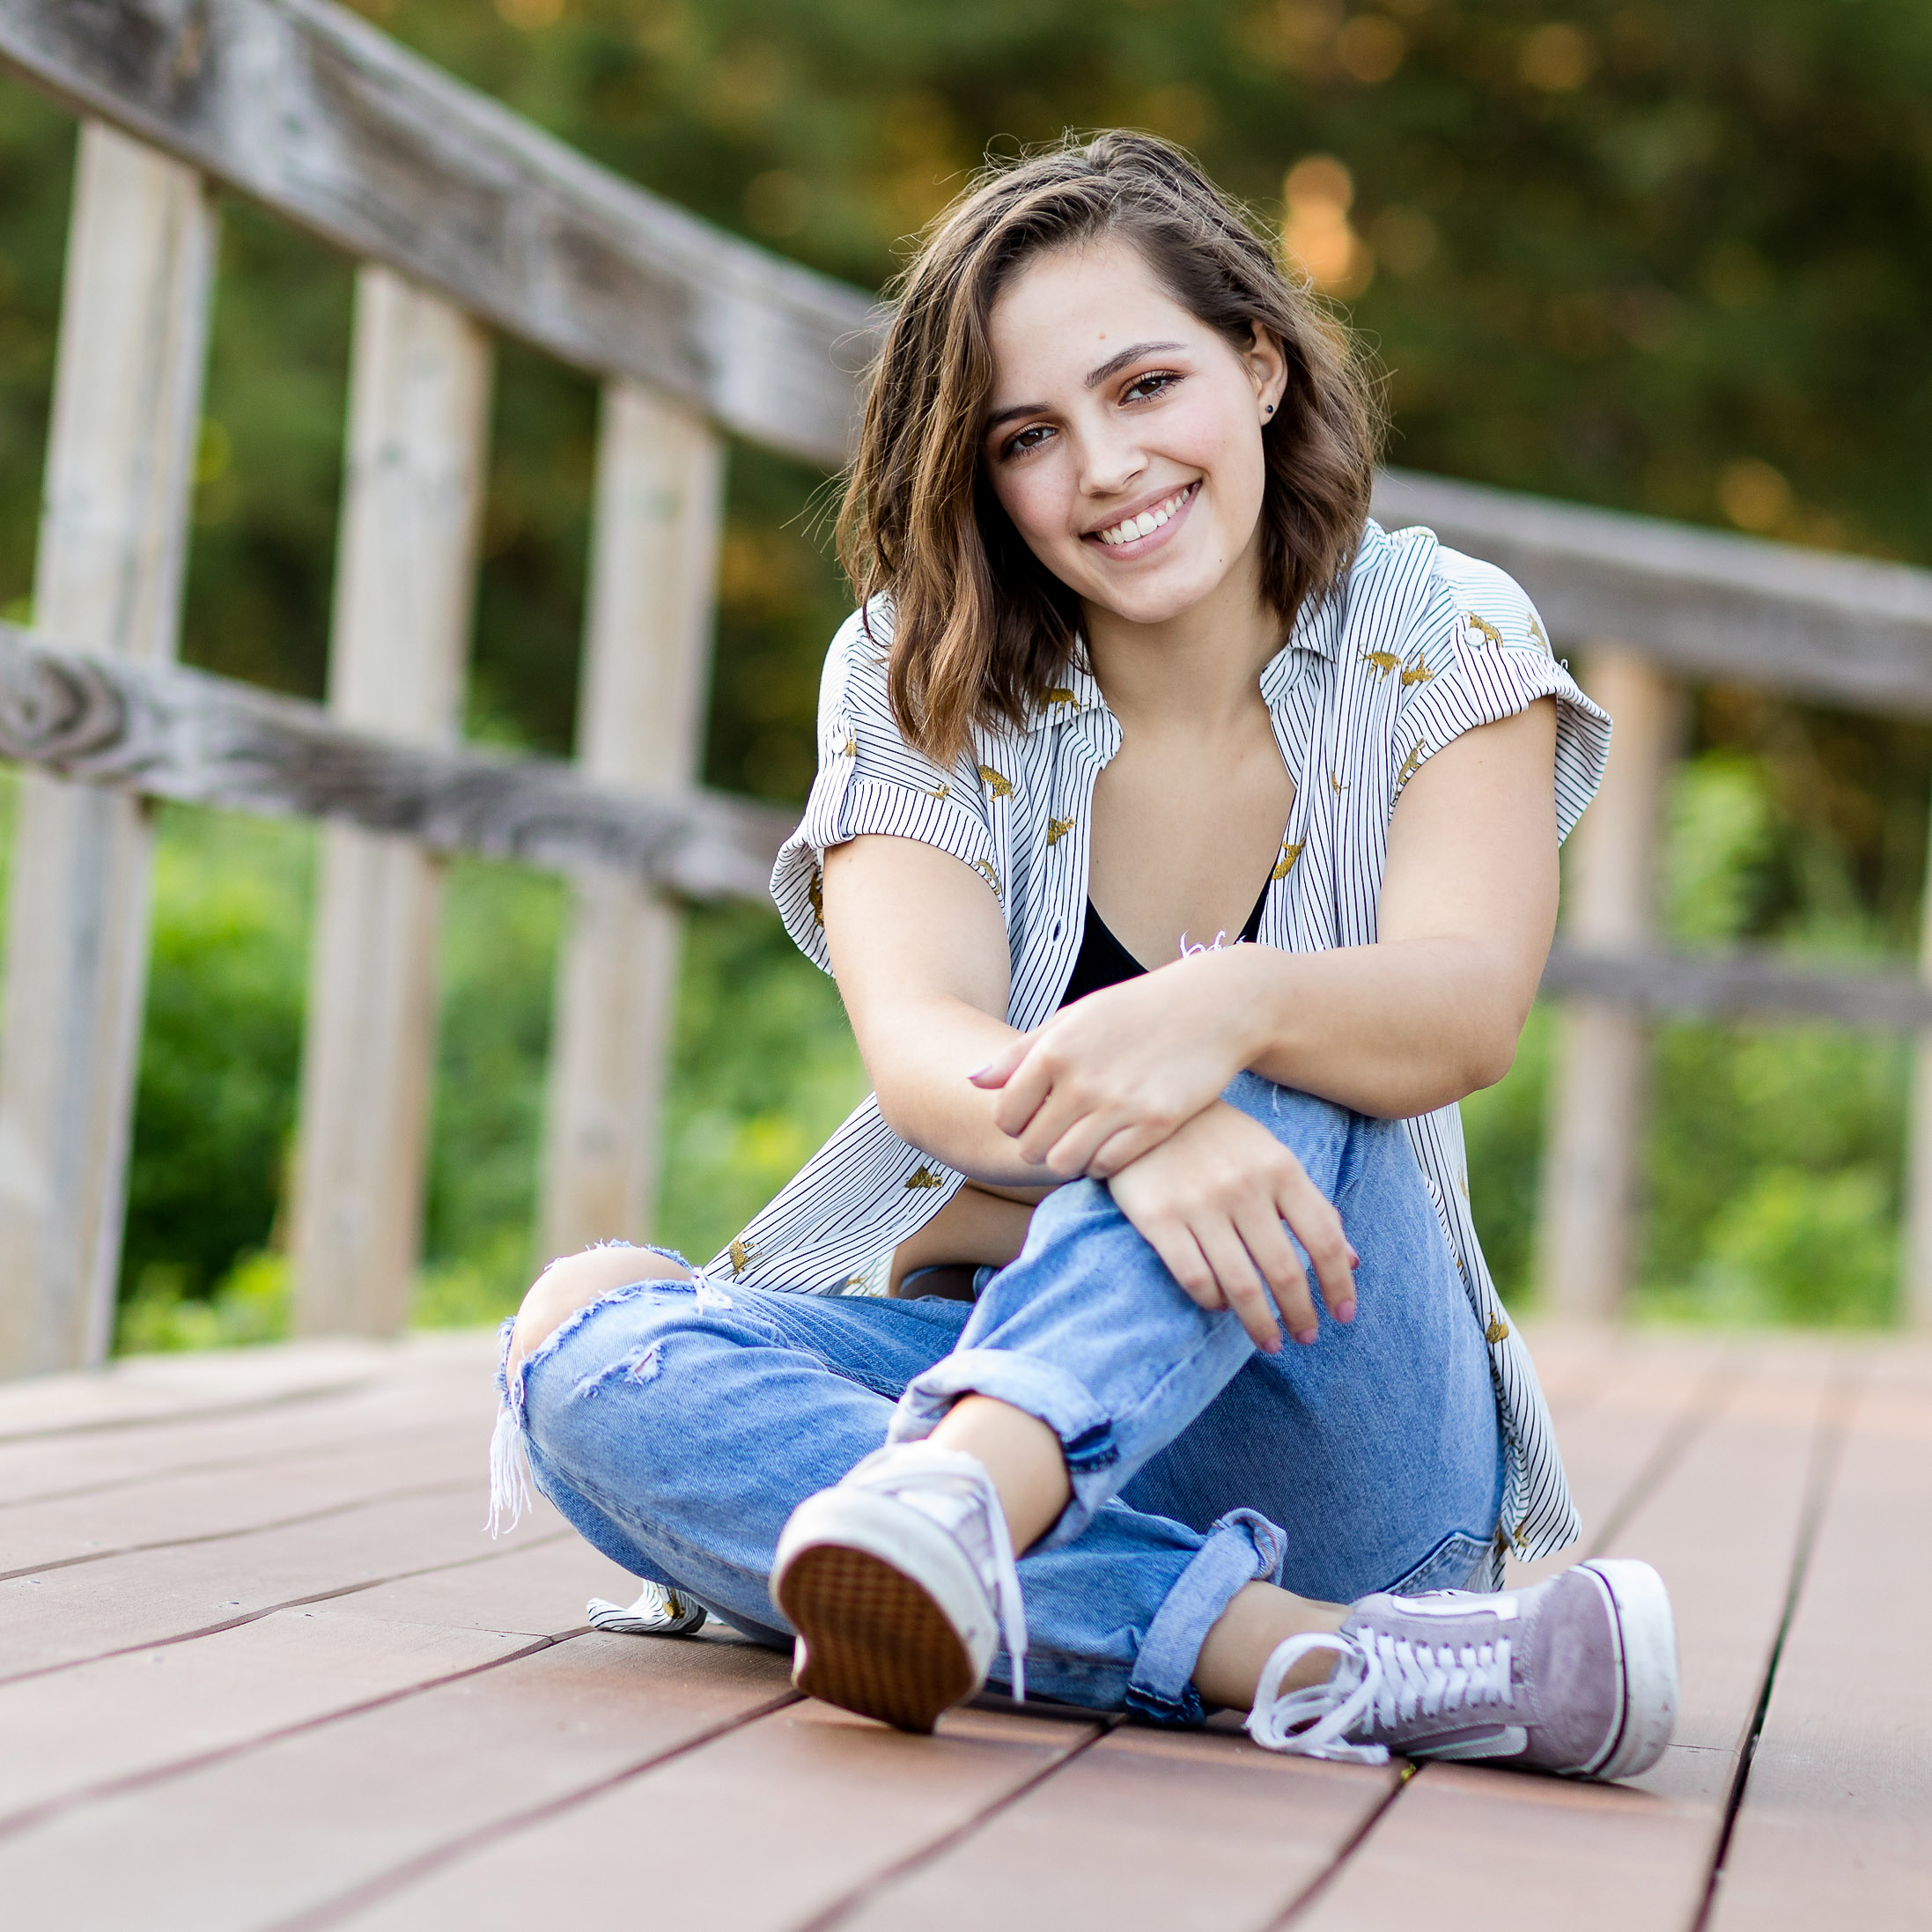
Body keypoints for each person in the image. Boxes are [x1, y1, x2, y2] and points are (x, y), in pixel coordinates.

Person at [492, 131, 1678, 1779]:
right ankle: (1320, 1660)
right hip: (984, 1344)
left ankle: (960, 1508)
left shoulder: (1440, 628)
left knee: (1297, 1035)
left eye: (1144, 387)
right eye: (1029, 436)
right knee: (584, 1341)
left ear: (1257, 363)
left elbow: (1459, 1009)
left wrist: (1221, 1007)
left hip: (1338, 1422)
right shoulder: (918, 668)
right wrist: (1160, 1119)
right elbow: (919, 1048)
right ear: (980, 476)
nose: (1104, 468)